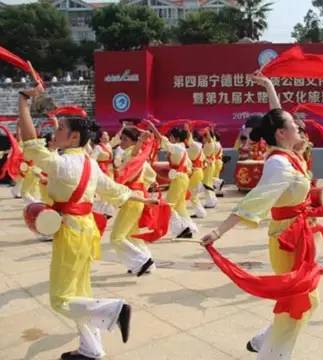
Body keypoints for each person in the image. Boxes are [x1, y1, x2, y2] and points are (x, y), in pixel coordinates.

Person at [18, 83, 154, 360]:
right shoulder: (90, 163)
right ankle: (91, 349)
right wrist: (143, 199)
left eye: (59, 130)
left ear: (74, 137)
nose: (54, 135)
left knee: (61, 299)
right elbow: (115, 190)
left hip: (69, 231)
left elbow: (31, 146)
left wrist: (23, 103)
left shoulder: (62, 164)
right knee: (80, 292)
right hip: (86, 231)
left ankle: (113, 310)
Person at [201, 109, 323, 359]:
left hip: (300, 234)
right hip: (287, 241)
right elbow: (253, 201)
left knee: (303, 303)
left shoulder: (289, 155)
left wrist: (269, 87)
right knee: (297, 307)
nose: (299, 127)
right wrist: (218, 231)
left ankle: (264, 341)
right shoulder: (279, 164)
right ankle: (272, 353)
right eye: (294, 125)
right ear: (281, 133)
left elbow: (278, 113)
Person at [109, 126, 157, 275]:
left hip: (132, 198)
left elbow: (131, 159)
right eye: (121, 138)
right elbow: (151, 176)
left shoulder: (132, 154)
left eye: (125, 139)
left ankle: (142, 261)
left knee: (116, 237)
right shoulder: (141, 157)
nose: (122, 141)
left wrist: (138, 144)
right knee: (132, 235)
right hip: (136, 197)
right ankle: (147, 262)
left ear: (133, 141)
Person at [146, 121, 198, 239]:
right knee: (180, 206)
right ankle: (188, 227)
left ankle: (182, 229)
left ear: (176, 138)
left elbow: (164, 142)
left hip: (179, 178)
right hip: (183, 178)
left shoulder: (176, 148)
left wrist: (153, 128)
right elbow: (190, 168)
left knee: (168, 205)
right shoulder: (183, 149)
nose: (169, 138)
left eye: (171, 137)